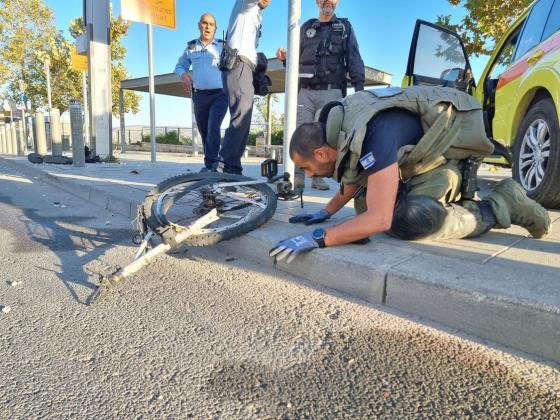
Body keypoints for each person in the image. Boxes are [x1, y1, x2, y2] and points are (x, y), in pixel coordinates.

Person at [269, 85, 551, 263]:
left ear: (321, 153)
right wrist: (327, 212)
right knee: (364, 204)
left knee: (411, 219)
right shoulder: (343, 126)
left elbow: (379, 220)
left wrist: (319, 237)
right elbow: (355, 174)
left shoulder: (373, 132)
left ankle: (501, 203)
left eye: (305, 167)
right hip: (419, 166)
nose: (305, 173)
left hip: (446, 166)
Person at [276, 0, 365, 190]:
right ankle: (297, 175)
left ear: (337, 2)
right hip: (305, 91)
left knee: (324, 136)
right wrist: (285, 59)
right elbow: (295, 58)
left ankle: (318, 176)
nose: (328, 2)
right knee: (299, 132)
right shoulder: (307, 27)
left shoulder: (344, 28)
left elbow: (354, 57)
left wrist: (360, 90)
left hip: (331, 90)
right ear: (317, 2)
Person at [219, 0, 271, 175]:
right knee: (241, 114)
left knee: (244, 117)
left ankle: (232, 169)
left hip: (245, 66)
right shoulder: (245, 5)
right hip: (238, 63)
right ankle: (224, 166)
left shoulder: (255, 13)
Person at [174, 13, 228, 172]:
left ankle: (212, 165)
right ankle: (211, 163)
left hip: (220, 95)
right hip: (199, 96)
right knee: (204, 130)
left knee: (213, 126)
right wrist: (183, 75)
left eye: (211, 24)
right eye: (205, 23)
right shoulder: (191, 47)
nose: (208, 27)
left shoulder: (223, 46)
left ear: (215, 28)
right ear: (199, 25)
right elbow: (179, 66)